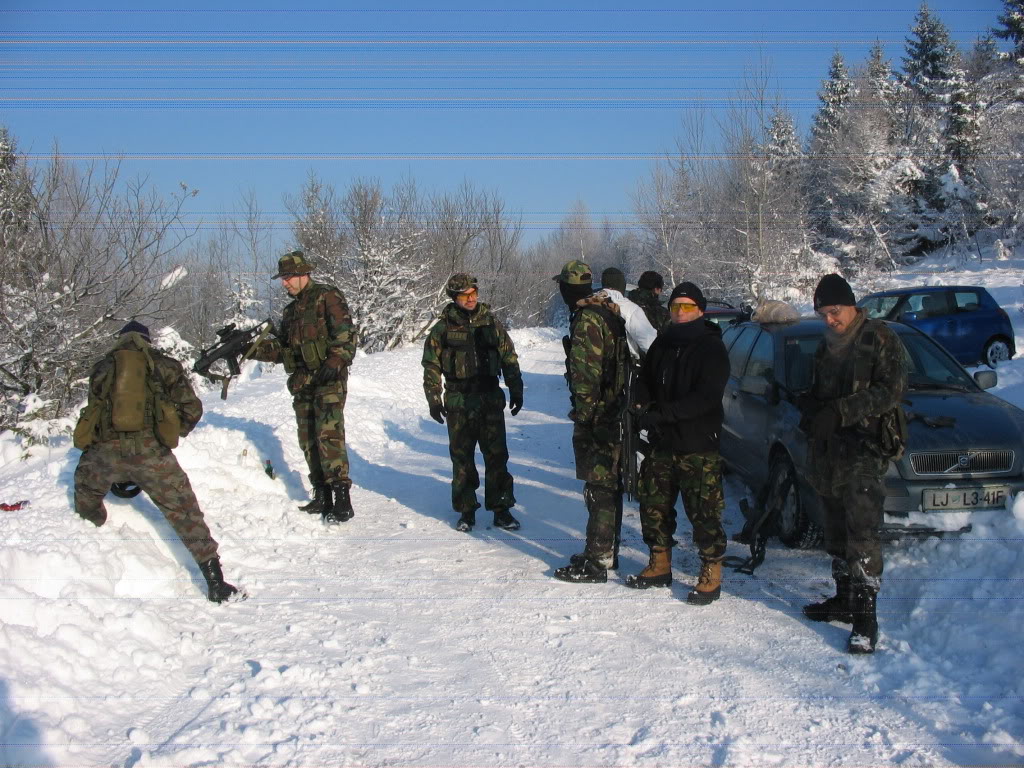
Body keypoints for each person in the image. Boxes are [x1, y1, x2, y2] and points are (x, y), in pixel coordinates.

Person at [72, 321, 239, 603]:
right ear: (147, 341)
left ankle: (95, 547)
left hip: (104, 454)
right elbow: (192, 408)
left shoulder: (101, 367)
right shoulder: (165, 365)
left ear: (121, 340)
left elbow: (95, 415)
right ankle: (216, 584)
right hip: (152, 454)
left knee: (85, 499)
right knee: (185, 512)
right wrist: (170, 435)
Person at [798, 273, 907, 654]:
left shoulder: (878, 337)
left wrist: (840, 412)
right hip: (830, 453)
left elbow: (891, 390)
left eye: (835, 311)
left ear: (851, 305)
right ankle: (843, 599)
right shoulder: (825, 346)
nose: (830, 319)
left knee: (862, 534)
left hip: (864, 451)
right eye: (823, 313)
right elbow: (819, 392)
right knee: (835, 530)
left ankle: (865, 619)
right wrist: (810, 408)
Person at [628, 282, 731, 605]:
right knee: (653, 504)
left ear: (700, 310)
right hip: (663, 442)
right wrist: (642, 406)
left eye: (687, 306)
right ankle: (660, 563)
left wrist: (663, 414)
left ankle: (711, 570)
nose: (680, 312)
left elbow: (706, 397)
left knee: (704, 512)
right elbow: (643, 379)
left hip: (698, 444)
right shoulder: (663, 343)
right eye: (675, 307)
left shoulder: (711, 347)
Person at [248, 250, 358, 525]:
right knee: (308, 438)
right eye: (282, 278)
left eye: (288, 277)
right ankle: (322, 494)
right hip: (302, 382)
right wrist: (252, 349)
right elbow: (284, 350)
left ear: (303, 274)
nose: (284, 283)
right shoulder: (291, 310)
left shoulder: (326, 296)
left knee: (328, 435)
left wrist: (335, 362)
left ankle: (342, 499)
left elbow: (346, 334)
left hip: (328, 379)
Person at [422, 273, 524, 532]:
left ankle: (501, 510)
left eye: (474, 293)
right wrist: (434, 398)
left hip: (489, 398)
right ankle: (466, 511)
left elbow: (509, 357)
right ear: (454, 297)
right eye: (465, 295)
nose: (471, 298)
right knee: (462, 459)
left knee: (497, 456)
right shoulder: (442, 328)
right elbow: (431, 365)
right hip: (459, 401)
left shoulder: (491, 323)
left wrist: (516, 388)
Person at [551, 260, 629, 583]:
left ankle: (597, 560)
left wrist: (585, 417)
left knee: (600, 486)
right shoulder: (607, 311)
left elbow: (585, 376)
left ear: (567, 289)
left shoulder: (587, 319)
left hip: (600, 416)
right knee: (608, 484)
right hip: (613, 410)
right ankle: (606, 552)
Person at [599, 267, 657, 360]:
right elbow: (651, 345)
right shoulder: (628, 308)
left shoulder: (589, 302)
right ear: (621, 284)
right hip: (619, 369)